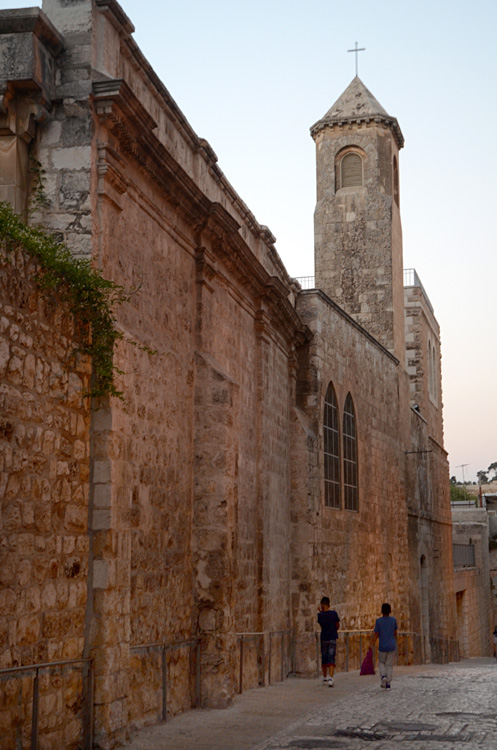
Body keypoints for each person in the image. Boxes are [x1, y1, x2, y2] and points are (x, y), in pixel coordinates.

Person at [369, 602, 397, 689]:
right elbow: (395, 632)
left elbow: (376, 634)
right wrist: (394, 641)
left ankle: (383, 676)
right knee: (389, 664)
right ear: (390, 611)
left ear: (382, 611)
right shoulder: (393, 620)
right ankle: (388, 682)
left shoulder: (379, 621)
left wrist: (371, 643)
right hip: (391, 645)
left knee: (381, 662)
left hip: (383, 646)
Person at [318, 596, 340, 687]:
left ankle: (324, 676)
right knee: (331, 657)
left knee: (324, 657)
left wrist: (321, 612)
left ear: (322, 605)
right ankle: (331, 677)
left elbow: (322, 624)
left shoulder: (320, 615)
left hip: (324, 638)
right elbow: (337, 625)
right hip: (332, 637)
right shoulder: (334, 614)